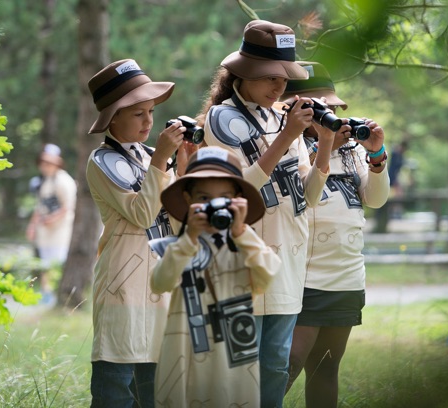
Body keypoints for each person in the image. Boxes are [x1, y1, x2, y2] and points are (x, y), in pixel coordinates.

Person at [199, 20, 336, 408]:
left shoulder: (282, 119)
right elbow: (239, 188)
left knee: (277, 363)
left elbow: (306, 197)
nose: (279, 87)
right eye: (269, 76)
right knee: (239, 367)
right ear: (241, 73)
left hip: (288, 260)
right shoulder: (220, 118)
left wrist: (323, 143)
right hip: (244, 261)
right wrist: (288, 137)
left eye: (284, 77)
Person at [280, 61, 390, 407]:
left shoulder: (352, 150)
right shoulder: (285, 147)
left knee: (326, 368)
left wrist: (375, 155)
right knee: (289, 362)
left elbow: (375, 199)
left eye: (332, 108)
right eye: (319, 108)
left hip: (346, 275)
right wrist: (322, 146)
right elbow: (300, 197)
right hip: (306, 277)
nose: (328, 116)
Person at [85, 58, 187, 408]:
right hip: (122, 284)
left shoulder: (151, 156)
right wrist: (162, 160)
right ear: (113, 118)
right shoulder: (102, 162)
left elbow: (178, 217)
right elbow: (143, 213)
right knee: (116, 386)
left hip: (160, 281)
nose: (149, 121)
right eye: (138, 113)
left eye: (150, 111)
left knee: (158, 389)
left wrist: (183, 161)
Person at [149, 146, 282, 407]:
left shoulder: (245, 241)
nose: (214, 205)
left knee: (232, 396)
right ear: (188, 199)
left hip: (233, 348)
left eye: (224, 198)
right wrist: (189, 240)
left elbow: (268, 276)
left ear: (237, 199)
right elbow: (160, 282)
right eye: (204, 198)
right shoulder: (177, 245)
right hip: (185, 347)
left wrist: (242, 231)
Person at [25, 143, 77, 304]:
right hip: (45, 233)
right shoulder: (45, 182)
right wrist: (32, 226)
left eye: (49, 163)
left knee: (58, 263)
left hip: (60, 232)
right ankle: (46, 293)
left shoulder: (64, 181)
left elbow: (68, 207)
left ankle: (58, 294)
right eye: (43, 162)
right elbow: (39, 207)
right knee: (45, 265)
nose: (45, 166)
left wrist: (51, 219)